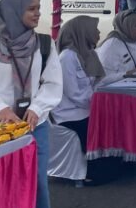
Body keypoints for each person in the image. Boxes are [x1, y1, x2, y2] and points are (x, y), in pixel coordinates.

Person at [0, 0, 65, 208]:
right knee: (7, 184)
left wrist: (37, 108)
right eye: (31, 9)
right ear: (12, 12)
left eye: (38, 8)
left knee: (38, 182)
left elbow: (52, 83)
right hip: (2, 131)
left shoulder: (44, 44)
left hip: (33, 126)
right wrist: (1, 108)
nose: (37, 13)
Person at [52, 16, 122, 186]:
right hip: (70, 114)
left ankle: (108, 163)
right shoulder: (67, 57)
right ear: (83, 32)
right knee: (102, 125)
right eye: (94, 30)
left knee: (114, 121)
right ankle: (90, 171)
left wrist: (124, 75)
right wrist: (98, 103)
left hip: (86, 108)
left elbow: (98, 80)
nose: (98, 33)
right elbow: (74, 93)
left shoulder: (88, 54)